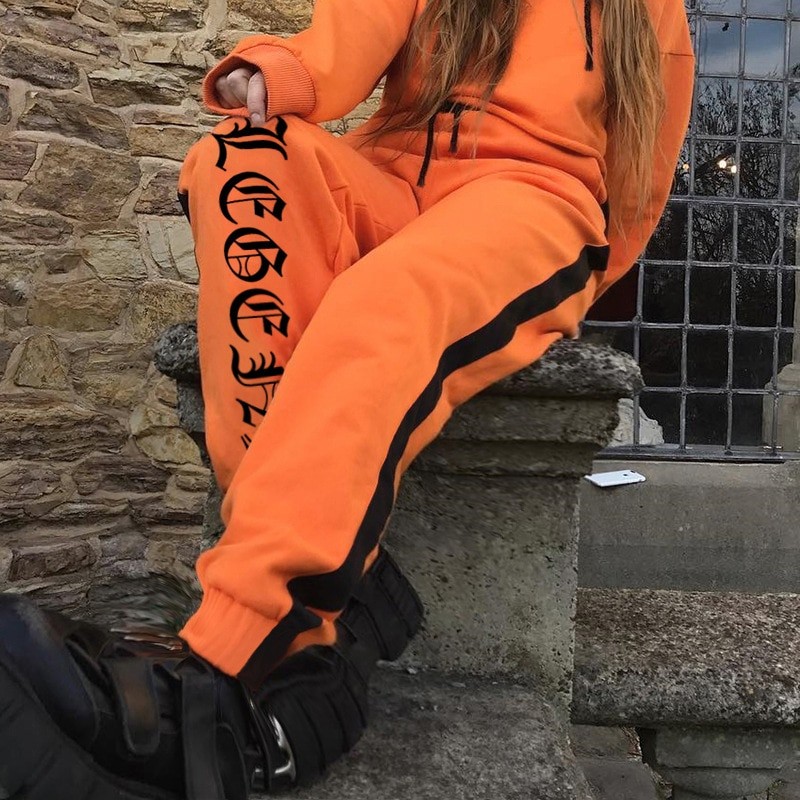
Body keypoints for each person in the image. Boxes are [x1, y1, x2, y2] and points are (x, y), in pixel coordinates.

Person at [0, 0, 694, 797]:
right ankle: (320, 613)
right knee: (238, 161)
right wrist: (282, 73)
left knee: (383, 302)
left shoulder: (651, 10)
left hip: (531, 201)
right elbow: (354, 31)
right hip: (388, 173)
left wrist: (573, 282)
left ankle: (239, 657)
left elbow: (643, 168)